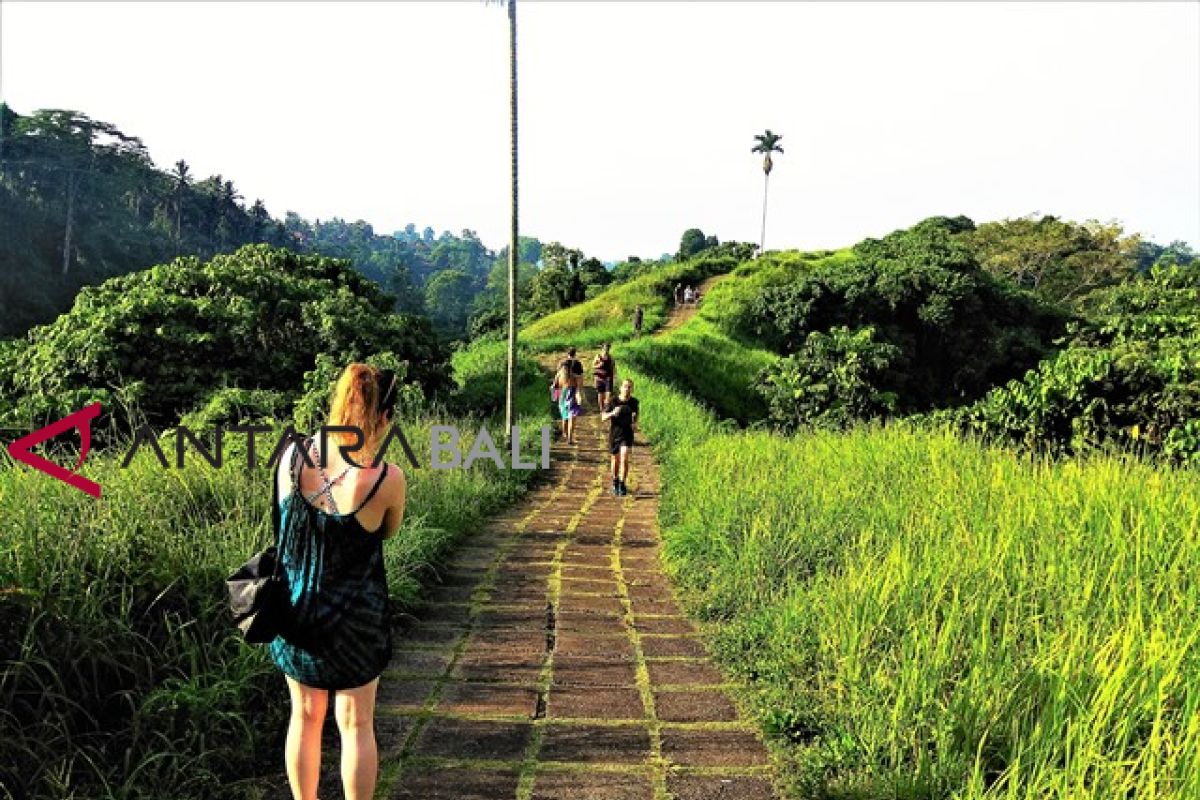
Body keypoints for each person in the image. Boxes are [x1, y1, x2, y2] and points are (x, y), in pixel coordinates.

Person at [270, 363, 407, 800]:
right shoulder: (386, 479)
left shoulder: (290, 457)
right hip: (357, 621)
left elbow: (282, 525)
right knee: (356, 723)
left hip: (296, 611)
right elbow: (387, 531)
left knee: (305, 716)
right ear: (383, 418)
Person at [601, 378, 640, 496]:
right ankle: (615, 481)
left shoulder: (634, 402)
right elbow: (603, 417)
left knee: (624, 457)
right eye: (625, 386)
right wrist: (613, 413)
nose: (627, 389)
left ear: (632, 389)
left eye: (629, 387)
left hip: (627, 433)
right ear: (620, 388)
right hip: (615, 434)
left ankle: (622, 484)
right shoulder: (613, 401)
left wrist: (634, 422)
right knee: (615, 460)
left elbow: (636, 417)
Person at [554, 362, 583, 445]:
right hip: (567, 400)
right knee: (568, 419)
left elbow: (554, 388)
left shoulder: (560, 376)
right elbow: (555, 388)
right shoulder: (565, 377)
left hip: (566, 400)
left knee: (568, 418)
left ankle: (568, 436)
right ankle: (566, 435)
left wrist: (555, 398)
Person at [592, 342, 616, 411]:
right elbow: (593, 366)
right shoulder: (598, 356)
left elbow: (613, 367)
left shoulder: (611, 357)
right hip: (599, 378)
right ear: (602, 348)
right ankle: (601, 409)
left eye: (608, 348)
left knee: (608, 395)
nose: (606, 350)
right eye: (605, 348)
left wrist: (614, 376)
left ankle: (606, 408)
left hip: (608, 378)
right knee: (600, 394)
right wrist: (598, 365)